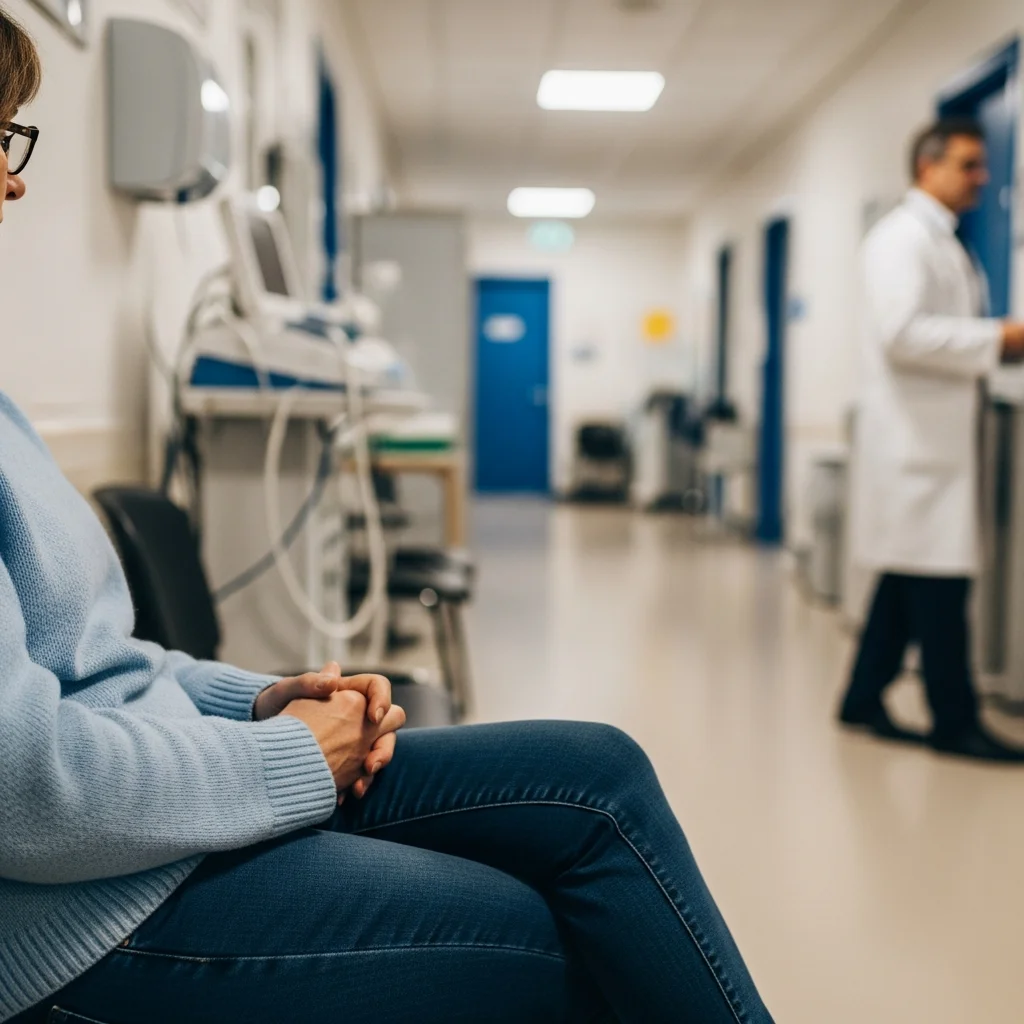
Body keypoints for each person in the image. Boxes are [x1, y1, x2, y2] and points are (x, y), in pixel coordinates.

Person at [0, 11, 773, 1023]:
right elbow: (27, 789)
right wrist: (288, 757)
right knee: (541, 936)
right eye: (3, 133)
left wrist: (266, 699)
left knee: (601, 775)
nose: (15, 178)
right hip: (85, 915)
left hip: (162, 810)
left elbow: (102, 662)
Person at [839, 118, 1024, 762]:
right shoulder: (901, 240)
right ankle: (955, 722)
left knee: (905, 581)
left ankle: (861, 698)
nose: (982, 178)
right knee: (941, 590)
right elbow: (903, 333)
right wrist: (1001, 339)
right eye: (969, 166)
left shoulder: (941, 241)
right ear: (928, 166)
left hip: (930, 444)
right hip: (916, 446)